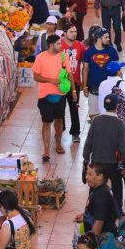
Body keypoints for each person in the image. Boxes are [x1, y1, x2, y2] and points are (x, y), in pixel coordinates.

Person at [82, 96, 125, 212]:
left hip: (97, 163)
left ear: (104, 106)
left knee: (94, 187)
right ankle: (118, 210)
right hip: (113, 163)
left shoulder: (96, 121)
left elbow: (88, 141)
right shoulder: (119, 123)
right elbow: (124, 147)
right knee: (117, 187)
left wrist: (86, 159)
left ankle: (91, 209)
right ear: (116, 107)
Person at [32, 34, 76, 162]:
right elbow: (36, 77)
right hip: (45, 96)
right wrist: (51, 80)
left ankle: (58, 143)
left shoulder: (63, 56)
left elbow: (69, 75)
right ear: (51, 45)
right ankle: (46, 150)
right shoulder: (40, 58)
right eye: (58, 44)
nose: (60, 46)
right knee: (46, 123)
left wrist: (73, 91)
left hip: (60, 95)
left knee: (59, 120)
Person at [98, 62, 125, 173]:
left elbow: (101, 102)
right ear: (118, 72)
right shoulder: (122, 84)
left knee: (110, 144)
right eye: (120, 69)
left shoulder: (102, 84)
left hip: (106, 120)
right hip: (121, 122)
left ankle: (111, 166)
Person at [82, 28, 120, 120]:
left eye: (108, 37)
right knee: (93, 115)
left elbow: (118, 70)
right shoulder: (89, 52)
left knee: (109, 116)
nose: (108, 39)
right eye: (106, 37)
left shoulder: (112, 51)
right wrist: (84, 86)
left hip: (109, 90)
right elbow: (85, 70)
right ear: (99, 38)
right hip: (94, 89)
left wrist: (119, 85)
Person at [75, 163, 121, 235]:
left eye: (90, 174)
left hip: (102, 240)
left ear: (100, 176)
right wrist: (85, 216)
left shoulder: (101, 197)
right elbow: (96, 210)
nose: (86, 177)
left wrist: (89, 244)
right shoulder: (99, 187)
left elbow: (98, 225)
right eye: (87, 174)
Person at [61, 23, 87, 142]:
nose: (74, 34)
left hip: (75, 82)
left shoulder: (80, 46)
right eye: (71, 32)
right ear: (65, 33)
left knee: (74, 108)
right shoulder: (59, 44)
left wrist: (83, 82)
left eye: (75, 31)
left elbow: (85, 66)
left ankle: (75, 132)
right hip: (60, 82)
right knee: (60, 107)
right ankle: (60, 128)